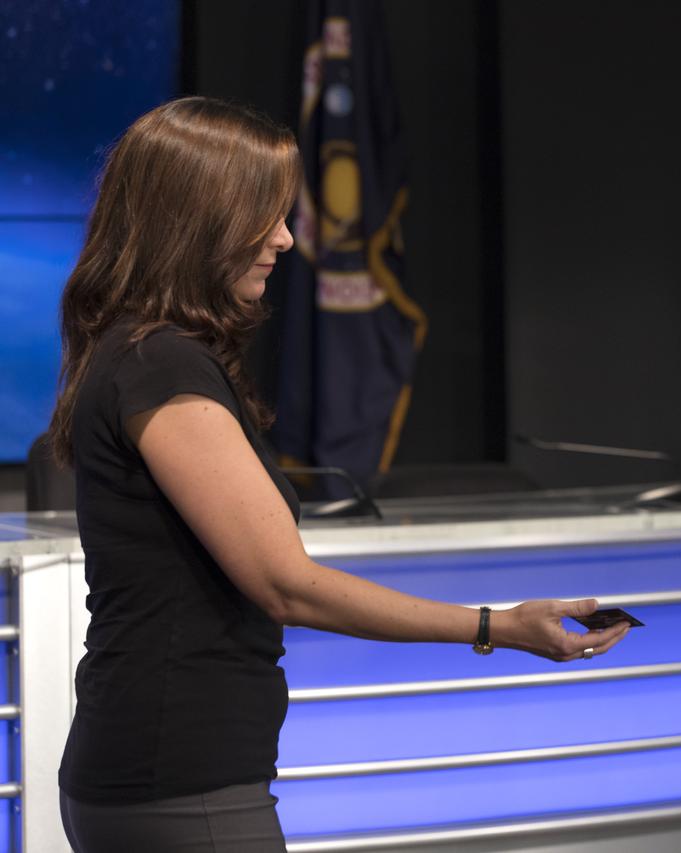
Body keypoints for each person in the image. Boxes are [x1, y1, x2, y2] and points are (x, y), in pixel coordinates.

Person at [48, 96, 629, 852]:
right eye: (267, 216)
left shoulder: (140, 352)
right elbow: (285, 584)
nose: (286, 240)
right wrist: (498, 626)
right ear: (196, 220)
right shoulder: (158, 362)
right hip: (180, 784)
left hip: (163, 773)